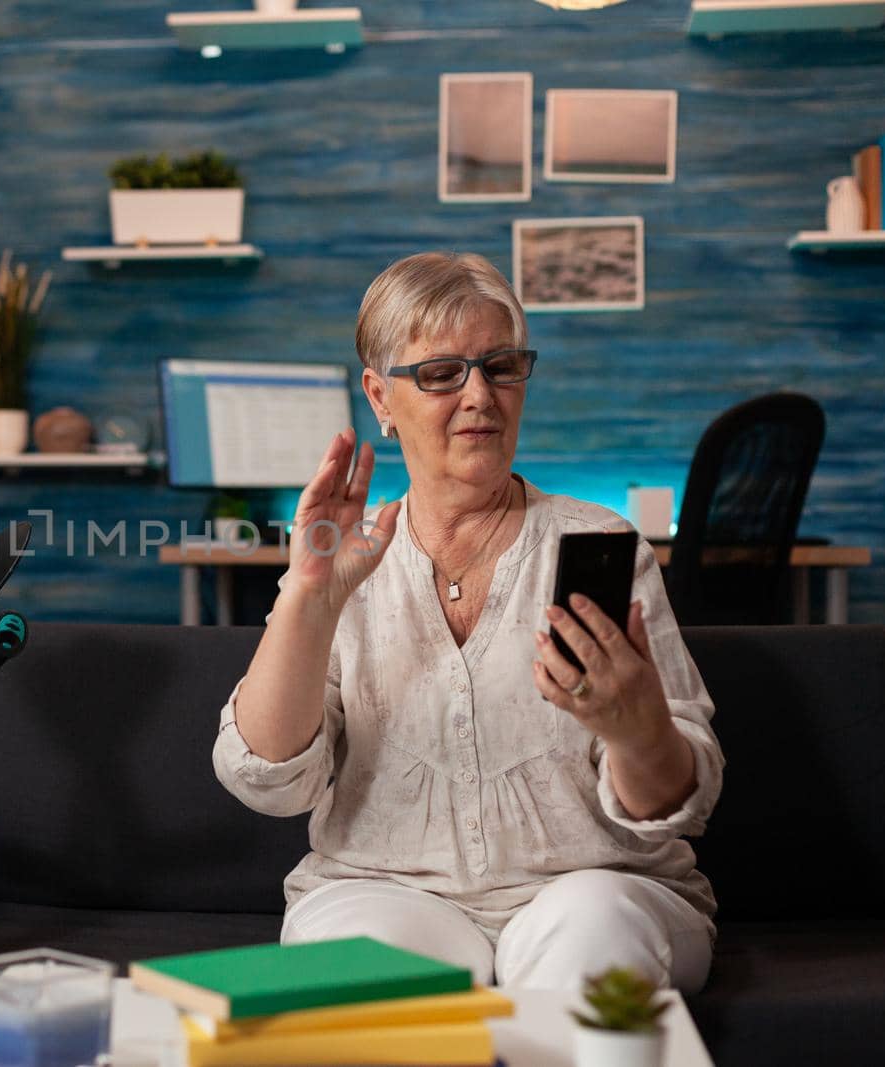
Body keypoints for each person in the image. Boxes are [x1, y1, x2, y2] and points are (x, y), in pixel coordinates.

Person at [213, 253, 722, 992]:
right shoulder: (347, 556)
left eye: (501, 365)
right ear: (380, 397)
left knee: (591, 931)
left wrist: (635, 727)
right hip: (381, 888)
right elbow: (267, 782)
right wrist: (308, 596)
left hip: (600, 885)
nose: (480, 394)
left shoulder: (603, 547)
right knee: (360, 965)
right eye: (442, 373)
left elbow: (675, 806)